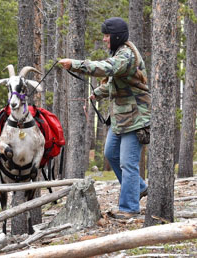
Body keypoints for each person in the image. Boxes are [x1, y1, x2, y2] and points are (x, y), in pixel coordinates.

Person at [59, 17, 150, 219]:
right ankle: (141, 187)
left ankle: (129, 209)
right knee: (111, 154)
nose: (104, 39)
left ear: (116, 36)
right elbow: (113, 82)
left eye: (107, 35)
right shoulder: (120, 52)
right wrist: (97, 93)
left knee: (128, 163)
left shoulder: (126, 56)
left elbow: (106, 68)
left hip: (135, 118)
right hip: (121, 118)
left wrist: (75, 64)